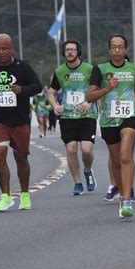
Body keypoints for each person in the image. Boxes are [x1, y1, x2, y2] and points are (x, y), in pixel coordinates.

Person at [86, 34, 135, 218]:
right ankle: (124, 190)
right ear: (109, 50)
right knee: (116, 161)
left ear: (126, 50)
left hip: (130, 117)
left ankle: (126, 200)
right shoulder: (99, 69)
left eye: (120, 47)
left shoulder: (133, 68)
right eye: (113, 47)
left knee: (125, 155)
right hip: (109, 120)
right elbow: (89, 97)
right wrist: (108, 88)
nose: (117, 50)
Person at [0, 33, 42, 212]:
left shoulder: (22, 67)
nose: (1, 52)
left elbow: (37, 86)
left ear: (11, 49)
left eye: (4, 48)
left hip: (20, 120)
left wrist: (22, 89)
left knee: (21, 157)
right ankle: (5, 196)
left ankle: (24, 194)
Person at [48, 39, 98, 196]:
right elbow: (51, 92)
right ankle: (77, 184)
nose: (70, 52)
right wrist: (55, 105)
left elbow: (97, 89)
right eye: (67, 50)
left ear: (78, 52)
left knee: (86, 150)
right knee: (71, 149)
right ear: (64, 53)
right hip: (68, 116)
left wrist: (90, 102)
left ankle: (88, 170)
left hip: (87, 114)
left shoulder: (89, 69)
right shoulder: (60, 71)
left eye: (73, 50)